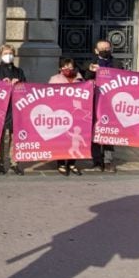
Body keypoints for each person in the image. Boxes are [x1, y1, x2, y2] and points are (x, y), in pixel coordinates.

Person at [81, 39, 122, 172]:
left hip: (110, 102)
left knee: (109, 131)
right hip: (94, 101)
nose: (105, 50)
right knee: (94, 131)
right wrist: (92, 71)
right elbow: (84, 80)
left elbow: (123, 79)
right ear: (96, 51)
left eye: (107, 48)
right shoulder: (89, 63)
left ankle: (108, 161)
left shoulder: (117, 64)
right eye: (102, 48)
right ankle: (97, 160)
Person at [0, 43, 25, 175]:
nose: (8, 56)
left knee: (15, 137)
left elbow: (26, 89)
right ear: (1, 55)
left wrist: (18, 84)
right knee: (1, 136)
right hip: (1, 108)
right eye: (5, 53)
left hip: (15, 107)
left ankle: (14, 163)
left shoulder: (19, 71)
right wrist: (1, 84)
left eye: (10, 53)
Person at [49, 57, 83, 176]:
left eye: (70, 66)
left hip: (76, 115)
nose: (67, 69)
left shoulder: (81, 80)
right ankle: (61, 163)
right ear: (60, 68)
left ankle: (72, 163)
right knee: (62, 138)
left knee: (75, 138)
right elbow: (49, 95)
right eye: (65, 66)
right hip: (61, 114)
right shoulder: (54, 79)